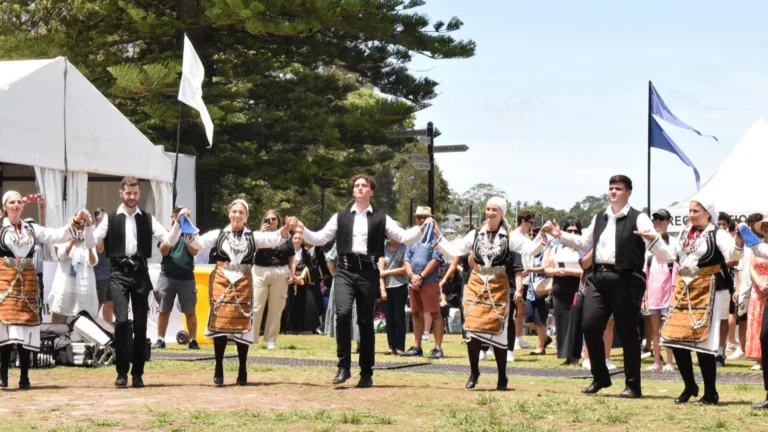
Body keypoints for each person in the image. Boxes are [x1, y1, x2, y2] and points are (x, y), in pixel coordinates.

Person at [297, 174, 429, 388]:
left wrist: (423, 228)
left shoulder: (381, 218)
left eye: (364, 185)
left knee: (366, 322)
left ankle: (366, 372)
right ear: (353, 191)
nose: (359, 188)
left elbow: (404, 237)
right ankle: (343, 366)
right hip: (344, 271)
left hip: (368, 272)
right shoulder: (340, 217)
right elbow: (321, 238)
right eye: (356, 185)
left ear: (371, 191)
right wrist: (303, 231)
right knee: (343, 314)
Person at [551, 175, 655, 399]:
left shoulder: (639, 217)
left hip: (626, 278)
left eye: (618, 188)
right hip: (598, 278)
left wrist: (658, 245)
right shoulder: (600, 217)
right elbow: (584, 242)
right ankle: (600, 377)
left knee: (628, 334)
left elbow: (653, 241)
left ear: (628, 192)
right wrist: (560, 235)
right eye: (611, 188)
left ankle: (633, 386)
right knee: (590, 326)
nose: (613, 192)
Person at [433, 197, 551, 391]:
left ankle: (502, 375)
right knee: (472, 329)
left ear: (502, 212)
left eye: (494, 210)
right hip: (477, 283)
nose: (490, 213)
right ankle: (474, 372)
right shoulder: (475, 234)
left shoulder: (510, 236)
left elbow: (531, 249)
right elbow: (455, 250)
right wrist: (438, 236)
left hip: (498, 285)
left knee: (499, 332)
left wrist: (544, 235)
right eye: (488, 209)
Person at [638, 197, 744, 405]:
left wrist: (739, 242)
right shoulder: (686, 233)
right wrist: (653, 239)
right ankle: (689, 385)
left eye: (696, 211)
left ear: (708, 213)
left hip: (709, 288)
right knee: (675, 338)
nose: (692, 214)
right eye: (690, 211)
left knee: (703, 342)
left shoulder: (717, 234)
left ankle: (711, 392)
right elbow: (670, 255)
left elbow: (732, 254)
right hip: (684, 287)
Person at [92, 176, 188, 388]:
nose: (132, 197)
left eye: (135, 193)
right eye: (128, 193)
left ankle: (138, 373)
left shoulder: (147, 218)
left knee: (141, 323)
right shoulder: (109, 218)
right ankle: (121, 372)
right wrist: (84, 227)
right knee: (122, 322)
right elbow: (93, 240)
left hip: (140, 272)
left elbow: (169, 240)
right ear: (121, 193)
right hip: (117, 272)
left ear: (139, 194)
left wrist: (179, 224)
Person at [188, 199, 296, 386]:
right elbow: (197, 243)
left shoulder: (253, 237)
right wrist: (185, 224)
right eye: (234, 212)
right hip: (222, 279)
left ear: (246, 216)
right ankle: (219, 367)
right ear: (229, 214)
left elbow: (275, 238)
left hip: (243, 279)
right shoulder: (219, 234)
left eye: (241, 212)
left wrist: (286, 228)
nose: (237, 215)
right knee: (220, 324)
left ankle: (242, 368)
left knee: (244, 325)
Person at [0, 190, 91, 389]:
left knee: (26, 328)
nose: (15, 205)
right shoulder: (0, 227)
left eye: (18, 202)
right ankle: (3, 374)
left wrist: (75, 220)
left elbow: (56, 235)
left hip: (29, 283)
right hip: (5, 284)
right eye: (11, 202)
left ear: (23, 206)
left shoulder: (31, 228)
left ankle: (24, 375)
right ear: (5, 206)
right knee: (7, 328)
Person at [153, 206, 200, 350]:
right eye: (179, 215)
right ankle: (160, 339)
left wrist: (188, 234)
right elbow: (164, 251)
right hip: (167, 275)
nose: (183, 218)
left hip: (186, 277)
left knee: (190, 311)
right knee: (164, 309)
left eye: (186, 215)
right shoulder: (166, 232)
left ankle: (193, 340)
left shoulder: (192, 232)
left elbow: (194, 252)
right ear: (173, 217)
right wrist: (173, 230)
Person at [402, 206, 445, 359]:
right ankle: (417, 346)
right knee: (416, 314)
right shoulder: (412, 237)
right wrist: (412, 276)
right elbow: (406, 259)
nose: (421, 220)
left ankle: (438, 348)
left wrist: (420, 276)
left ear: (431, 219)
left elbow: (436, 259)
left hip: (429, 282)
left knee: (435, 313)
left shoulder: (436, 236)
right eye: (419, 217)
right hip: (414, 282)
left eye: (425, 217)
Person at [252, 210, 294, 350]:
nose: (271, 221)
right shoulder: (257, 235)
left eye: (274, 219)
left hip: (280, 271)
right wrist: (262, 233)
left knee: (276, 308)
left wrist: (292, 275)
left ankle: (271, 340)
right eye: (267, 219)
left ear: (278, 221)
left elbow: (292, 258)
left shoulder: (286, 237)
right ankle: (250, 339)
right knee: (256, 307)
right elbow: (252, 251)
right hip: (259, 271)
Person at [544, 220, 585, 364]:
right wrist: (555, 271)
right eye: (569, 230)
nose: (572, 233)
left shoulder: (582, 249)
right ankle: (565, 355)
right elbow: (547, 268)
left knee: (575, 321)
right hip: (559, 287)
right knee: (561, 321)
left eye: (575, 231)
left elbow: (585, 271)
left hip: (576, 287)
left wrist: (570, 271)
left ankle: (574, 356)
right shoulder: (556, 248)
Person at [642, 211, 677, 372]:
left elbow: (676, 275)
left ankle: (669, 362)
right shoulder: (648, 254)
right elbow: (646, 277)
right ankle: (657, 361)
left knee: (668, 330)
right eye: (655, 219)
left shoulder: (674, 246)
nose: (657, 221)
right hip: (654, 298)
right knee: (656, 331)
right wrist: (645, 296)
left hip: (668, 297)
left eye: (661, 218)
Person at [48, 226, 99, 322]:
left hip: (82, 288)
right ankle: (55, 337)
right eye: (78, 225)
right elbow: (61, 255)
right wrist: (71, 241)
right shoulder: (64, 238)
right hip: (65, 287)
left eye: (83, 227)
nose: (80, 229)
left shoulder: (89, 241)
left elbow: (93, 262)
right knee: (59, 315)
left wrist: (89, 248)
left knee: (83, 321)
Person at [282, 231, 322, 334]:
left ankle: (309, 328)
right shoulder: (287, 251)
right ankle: (288, 329)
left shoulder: (306, 252)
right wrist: (292, 276)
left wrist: (301, 277)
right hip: (290, 281)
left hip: (302, 281)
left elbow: (309, 266)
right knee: (289, 304)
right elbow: (284, 264)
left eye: (299, 238)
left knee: (309, 303)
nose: (297, 240)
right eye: (295, 238)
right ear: (292, 239)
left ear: (302, 240)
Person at [324, 242, 361, 349]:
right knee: (342, 312)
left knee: (358, 312)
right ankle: (343, 345)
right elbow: (330, 261)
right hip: (343, 281)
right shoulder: (341, 241)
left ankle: (359, 344)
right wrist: (336, 276)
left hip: (359, 283)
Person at [379, 237, 408, 355]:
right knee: (389, 318)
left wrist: (387, 272)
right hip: (386, 287)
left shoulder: (404, 248)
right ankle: (391, 346)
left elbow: (404, 269)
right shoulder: (383, 248)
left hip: (400, 285)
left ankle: (400, 347)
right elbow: (379, 271)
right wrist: (382, 289)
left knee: (399, 317)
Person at [93, 208, 113, 322]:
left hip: (111, 274)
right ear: (95, 221)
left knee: (110, 304)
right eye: (100, 220)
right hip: (99, 276)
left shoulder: (109, 234)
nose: (103, 223)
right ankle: (89, 330)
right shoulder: (95, 234)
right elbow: (100, 249)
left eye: (105, 221)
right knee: (97, 305)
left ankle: (109, 330)